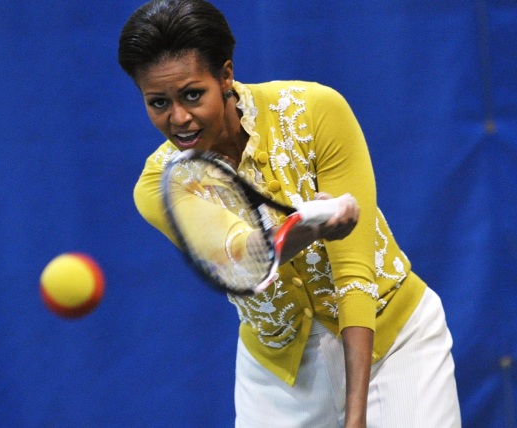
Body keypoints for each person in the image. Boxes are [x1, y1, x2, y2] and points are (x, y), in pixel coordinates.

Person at [118, 1, 461, 427]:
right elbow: (244, 257)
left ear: (225, 75)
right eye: (158, 103)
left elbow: (355, 276)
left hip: (392, 341)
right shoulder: (159, 187)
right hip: (278, 374)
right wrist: (306, 227)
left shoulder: (315, 110)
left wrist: (355, 418)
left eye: (192, 94)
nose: (179, 118)